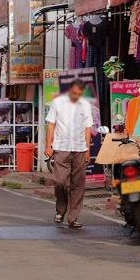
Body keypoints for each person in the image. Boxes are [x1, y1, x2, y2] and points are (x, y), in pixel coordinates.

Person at [44, 79, 93, 229]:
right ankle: (61, 209)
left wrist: (87, 149)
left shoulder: (85, 105)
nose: (76, 96)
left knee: (78, 184)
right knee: (60, 182)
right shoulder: (58, 102)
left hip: (79, 148)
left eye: (79, 94)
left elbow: (87, 128)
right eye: (74, 93)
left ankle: (73, 218)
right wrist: (48, 145)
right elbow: (51, 125)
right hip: (62, 147)